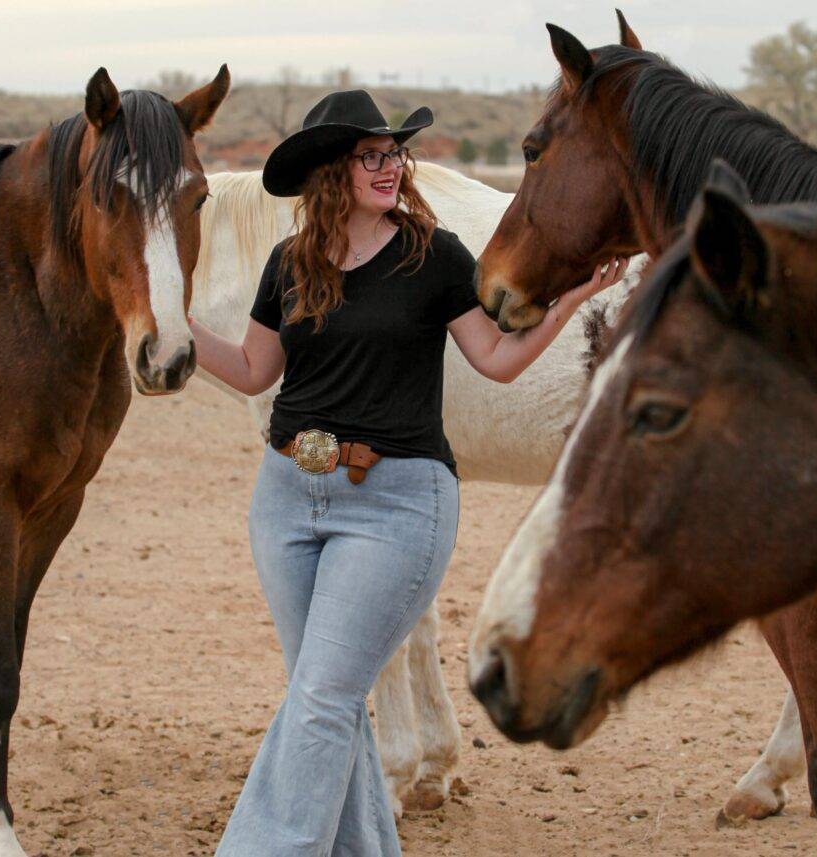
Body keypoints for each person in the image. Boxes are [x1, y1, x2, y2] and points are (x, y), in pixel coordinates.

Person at [191, 90, 627, 856]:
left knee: (321, 700)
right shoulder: (289, 262)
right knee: (328, 701)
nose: (391, 167)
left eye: (395, 154)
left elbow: (494, 360)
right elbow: (256, 370)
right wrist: (178, 324)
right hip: (288, 498)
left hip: (394, 504)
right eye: (372, 155)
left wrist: (573, 301)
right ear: (334, 171)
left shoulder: (434, 255)